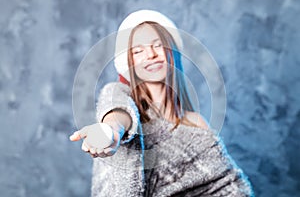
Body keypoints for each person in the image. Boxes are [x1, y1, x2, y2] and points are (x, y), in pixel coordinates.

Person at [70, 10, 254, 197]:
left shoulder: (196, 123)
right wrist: (110, 132)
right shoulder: (118, 94)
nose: (150, 54)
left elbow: (229, 186)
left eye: (157, 45)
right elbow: (118, 113)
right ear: (130, 63)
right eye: (138, 51)